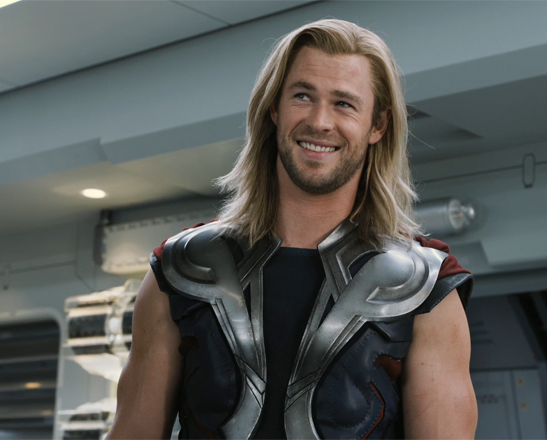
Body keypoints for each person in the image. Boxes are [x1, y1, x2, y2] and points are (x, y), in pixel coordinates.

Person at [108, 19, 477, 439]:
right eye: (303, 96)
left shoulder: (425, 286)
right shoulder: (181, 270)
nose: (320, 121)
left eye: (344, 104)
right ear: (274, 109)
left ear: (378, 126)